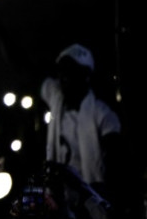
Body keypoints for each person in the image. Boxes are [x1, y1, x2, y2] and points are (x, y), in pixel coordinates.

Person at [40, 43, 122, 194]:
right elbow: (21, 65)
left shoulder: (102, 113)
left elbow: (114, 157)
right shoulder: (56, 98)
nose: (62, 77)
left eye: (70, 71)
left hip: (90, 198)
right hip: (60, 198)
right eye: (61, 70)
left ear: (86, 76)